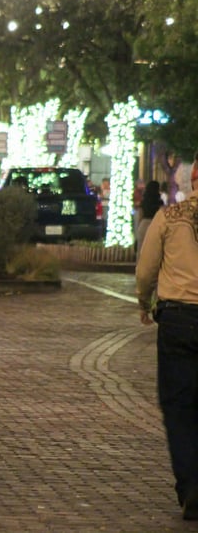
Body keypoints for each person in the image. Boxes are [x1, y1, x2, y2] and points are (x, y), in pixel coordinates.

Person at [136, 160, 198, 521]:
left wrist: (144, 301)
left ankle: (191, 485)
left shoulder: (169, 216)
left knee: (178, 405)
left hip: (178, 319)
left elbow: (146, 269)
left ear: (192, 179)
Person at [135, 181, 163, 257]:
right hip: (155, 225)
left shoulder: (143, 202)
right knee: (153, 252)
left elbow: (140, 217)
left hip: (144, 225)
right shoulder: (159, 202)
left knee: (141, 251)